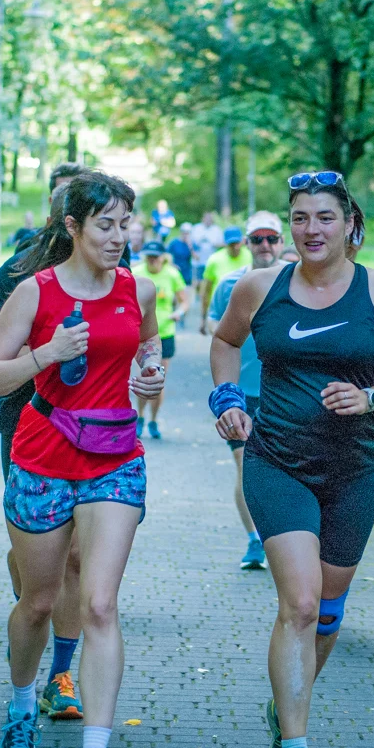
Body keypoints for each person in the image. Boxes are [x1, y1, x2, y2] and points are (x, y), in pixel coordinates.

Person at [210, 172, 374, 748]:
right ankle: (299, 747)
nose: (311, 229)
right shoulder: (258, 286)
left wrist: (372, 399)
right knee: (300, 603)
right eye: (300, 218)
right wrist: (226, 396)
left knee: (327, 612)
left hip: (354, 470)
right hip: (276, 459)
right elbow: (225, 343)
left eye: (324, 217)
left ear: (349, 225)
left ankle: (285, 711)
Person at [0, 170, 164, 748]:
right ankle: (23, 705)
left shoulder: (141, 289)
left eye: (124, 224)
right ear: (73, 226)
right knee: (39, 601)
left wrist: (151, 371)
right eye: (104, 225)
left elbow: (148, 343)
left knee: (101, 603)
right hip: (43, 455)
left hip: (115, 456)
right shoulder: (34, 292)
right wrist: (45, 355)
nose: (117, 237)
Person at [0, 163, 105, 722]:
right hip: (28, 424)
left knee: (76, 558)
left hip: (97, 432)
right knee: (39, 571)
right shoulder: (23, 268)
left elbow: (138, 335)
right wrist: (43, 349)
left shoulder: (115, 267)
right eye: (59, 205)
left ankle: (62, 674)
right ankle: (30, 607)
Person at [207, 211, 285, 570]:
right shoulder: (230, 285)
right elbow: (215, 326)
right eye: (258, 239)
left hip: (284, 392)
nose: (265, 246)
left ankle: (286, 541)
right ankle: (256, 540)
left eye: (272, 238)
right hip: (243, 393)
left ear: (282, 243)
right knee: (247, 468)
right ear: (247, 244)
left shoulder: (295, 281)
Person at [132, 240, 189, 439]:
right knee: (144, 377)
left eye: (155, 257)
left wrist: (179, 312)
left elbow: (184, 300)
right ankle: (139, 417)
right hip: (141, 335)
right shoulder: (136, 272)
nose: (152, 261)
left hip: (165, 333)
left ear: (163, 257)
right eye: (149, 257)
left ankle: (154, 419)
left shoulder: (172, 274)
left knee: (157, 380)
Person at [200, 226, 249, 333]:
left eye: (237, 243)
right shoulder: (215, 260)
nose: (235, 247)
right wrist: (203, 319)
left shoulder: (250, 256)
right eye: (232, 244)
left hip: (247, 311)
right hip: (222, 312)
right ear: (225, 243)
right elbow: (206, 291)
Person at [167, 222, 195, 329]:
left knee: (185, 297)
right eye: (184, 232)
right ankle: (174, 314)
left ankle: (182, 318)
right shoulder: (174, 243)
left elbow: (196, 258)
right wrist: (172, 265)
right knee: (174, 298)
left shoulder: (191, 244)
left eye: (187, 233)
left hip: (186, 274)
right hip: (175, 274)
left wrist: (190, 246)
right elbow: (166, 256)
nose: (185, 235)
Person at [190, 210, 221, 289]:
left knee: (209, 281)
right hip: (199, 260)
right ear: (203, 219)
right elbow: (190, 243)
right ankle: (198, 298)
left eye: (210, 219)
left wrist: (213, 243)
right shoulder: (196, 228)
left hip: (211, 260)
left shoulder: (216, 230)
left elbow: (222, 243)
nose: (208, 220)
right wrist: (193, 252)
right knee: (198, 281)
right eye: (206, 218)